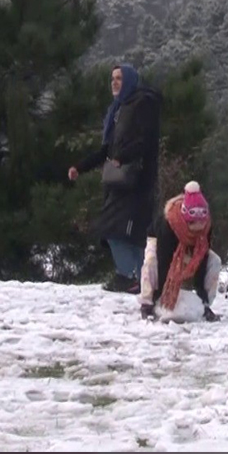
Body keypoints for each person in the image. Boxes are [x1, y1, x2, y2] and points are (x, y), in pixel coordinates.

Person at [69, 64, 162, 294]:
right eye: (112, 78)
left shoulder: (142, 103)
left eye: (119, 78)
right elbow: (106, 151)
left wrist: (123, 157)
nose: (114, 82)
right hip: (120, 182)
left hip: (137, 182)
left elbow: (147, 141)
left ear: (129, 80)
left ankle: (132, 277)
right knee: (121, 231)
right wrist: (80, 167)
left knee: (125, 232)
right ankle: (138, 280)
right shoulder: (118, 110)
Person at [139, 181, 219, 322]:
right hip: (159, 240)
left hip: (190, 245)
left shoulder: (205, 228)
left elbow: (203, 256)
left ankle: (205, 305)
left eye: (202, 223)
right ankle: (147, 302)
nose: (199, 227)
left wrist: (200, 292)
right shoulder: (168, 223)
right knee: (151, 261)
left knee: (215, 261)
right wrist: (162, 295)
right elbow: (164, 260)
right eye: (194, 224)